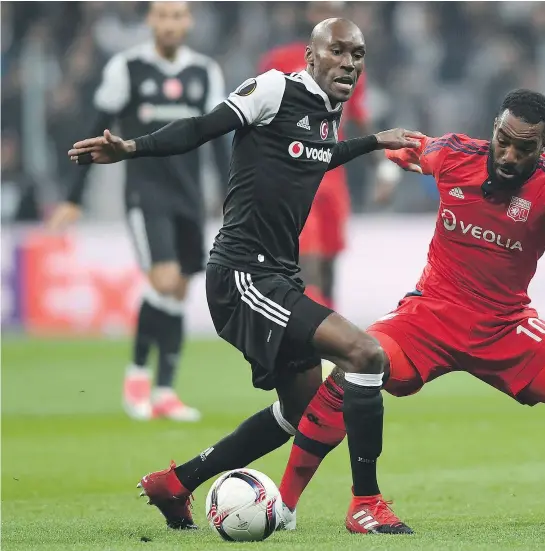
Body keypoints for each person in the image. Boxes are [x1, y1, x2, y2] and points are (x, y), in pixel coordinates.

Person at [68, 18, 419, 535]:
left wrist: (371, 142)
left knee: (301, 411)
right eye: (338, 51)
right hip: (242, 275)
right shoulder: (274, 88)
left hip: (276, 275)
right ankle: (366, 503)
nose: (349, 62)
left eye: (358, 54)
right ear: (311, 55)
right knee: (365, 354)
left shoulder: (328, 113)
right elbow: (202, 126)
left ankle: (176, 482)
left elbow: (317, 157)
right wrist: (132, 149)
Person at [275, 89, 545, 529]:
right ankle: (283, 506)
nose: (509, 154)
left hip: (506, 325)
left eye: (525, 148)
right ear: (495, 128)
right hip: (429, 316)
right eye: (504, 139)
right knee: (355, 370)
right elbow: (412, 150)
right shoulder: (454, 154)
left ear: (544, 147)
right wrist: (387, 160)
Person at [48, 2, 229, 422]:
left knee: (180, 289)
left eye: (177, 15)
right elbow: (96, 129)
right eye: (162, 15)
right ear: (150, 21)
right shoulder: (126, 68)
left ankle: (165, 390)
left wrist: (229, 195)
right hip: (145, 193)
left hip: (188, 195)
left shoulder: (205, 71)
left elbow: (220, 140)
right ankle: (136, 378)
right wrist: (73, 197)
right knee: (163, 279)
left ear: (188, 21)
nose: (169, 23)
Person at [258, 1, 401, 309]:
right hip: (293, 181)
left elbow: (360, 117)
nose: (324, 16)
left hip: (333, 179)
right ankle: (308, 347)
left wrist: (384, 168)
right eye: (319, 9)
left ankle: (324, 346)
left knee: (328, 268)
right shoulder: (279, 60)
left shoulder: (350, 67)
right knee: (306, 268)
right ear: (307, 15)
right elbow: (258, 124)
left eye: (331, 10)